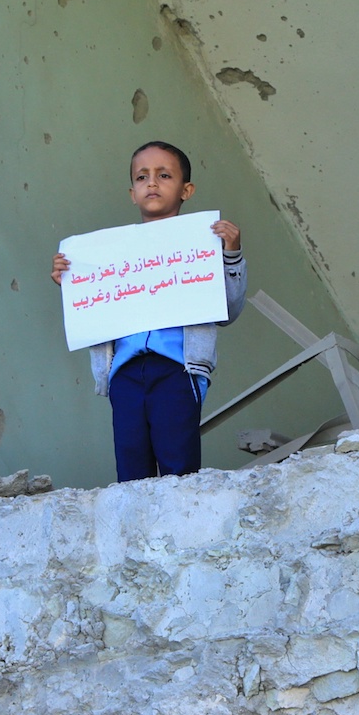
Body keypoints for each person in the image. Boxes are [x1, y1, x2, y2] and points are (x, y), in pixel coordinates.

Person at [52, 141, 246, 481]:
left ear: (186, 190)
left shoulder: (203, 244)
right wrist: (73, 280)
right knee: (131, 466)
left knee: (178, 463)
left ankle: (184, 532)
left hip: (177, 369)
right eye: (142, 177)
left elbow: (227, 311)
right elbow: (97, 301)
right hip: (124, 373)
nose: (152, 183)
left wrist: (231, 256)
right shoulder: (108, 254)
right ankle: (137, 534)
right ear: (132, 193)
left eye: (164, 175)